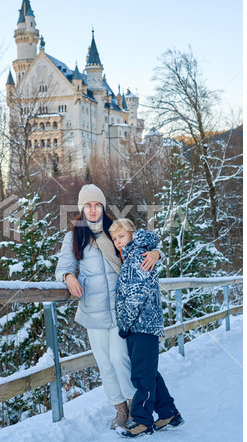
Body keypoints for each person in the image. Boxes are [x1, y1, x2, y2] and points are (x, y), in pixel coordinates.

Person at [55, 184, 163, 429]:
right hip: (92, 310)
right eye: (88, 206)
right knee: (104, 363)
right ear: (82, 208)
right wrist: (68, 277)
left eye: (97, 205)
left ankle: (136, 407)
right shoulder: (74, 236)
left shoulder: (114, 231)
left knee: (119, 358)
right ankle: (120, 410)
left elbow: (142, 244)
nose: (93, 210)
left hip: (119, 309)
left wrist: (157, 252)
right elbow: (62, 268)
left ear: (103, 207)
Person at [109, 218, 184, 438]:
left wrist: (125, 324)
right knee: (148, 370)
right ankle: (168, 413)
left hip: (141, 325)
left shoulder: (137, 258)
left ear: (132, 234)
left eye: (121, 236)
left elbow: (135, 296)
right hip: (140, 325)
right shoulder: (134, 255)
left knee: (142, 374)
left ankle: (141, 421)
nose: (118, 242)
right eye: (114, 239)